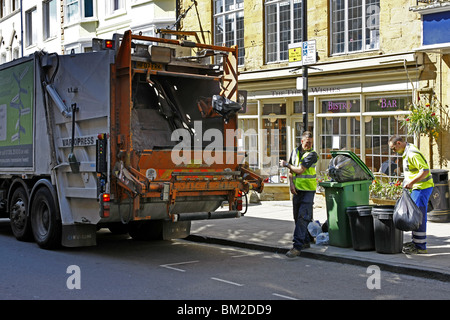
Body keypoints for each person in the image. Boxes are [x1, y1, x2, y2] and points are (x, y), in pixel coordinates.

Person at [388, 135, 434, 254]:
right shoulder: (407, 151)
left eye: (393, 148)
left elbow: (425, 171)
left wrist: (411, 183)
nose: (393, 151)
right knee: (416, 215)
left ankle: (420, 246)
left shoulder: (412, 153)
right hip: (418, 188)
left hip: (421, 188)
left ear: (399, 143)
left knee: (418, 216)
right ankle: (416, 242)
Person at [279, 131, 318, 258]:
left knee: (302, 217)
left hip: (308, 190)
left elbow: (300, 170)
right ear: (302, 141)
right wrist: (291, 184)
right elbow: (291, 171)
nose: (309, 145)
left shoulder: (312, 154)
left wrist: (286, 164)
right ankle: (306, 240)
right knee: (297, 217)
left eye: (311, 143)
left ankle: (297, 247)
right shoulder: (295, 152)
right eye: (307, 143)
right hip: (297, 190)